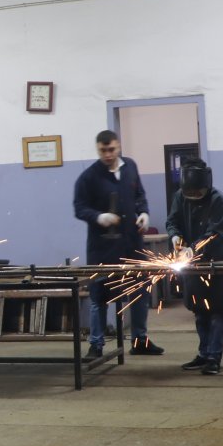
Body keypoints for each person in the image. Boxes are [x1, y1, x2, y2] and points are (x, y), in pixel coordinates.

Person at [72, 129, 164, 359]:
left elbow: (140, 195)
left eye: (111, 149)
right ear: (97, 149)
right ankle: (96, 345)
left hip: (132, 245)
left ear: (118, 146)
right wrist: (98, 217)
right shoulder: (89, 177)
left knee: (139, 293)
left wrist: (143, 213)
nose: (108, 154)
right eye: (103, 150)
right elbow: (79, 207)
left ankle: (140, 341)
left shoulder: (130, 167)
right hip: (102, 248)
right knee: (99, 298)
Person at [166, 159, 223, 376]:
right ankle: (204, 353)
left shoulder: (218, 201)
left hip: (217, 259)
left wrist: (192, 249)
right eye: (190, 193)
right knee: (198, 310)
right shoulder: (180, 196)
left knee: (215, 310)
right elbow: (172, 222)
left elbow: (214, 233)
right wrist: (176, 239)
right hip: (191, 263)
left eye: (198, 192)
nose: (194, 196)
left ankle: (214, 357)